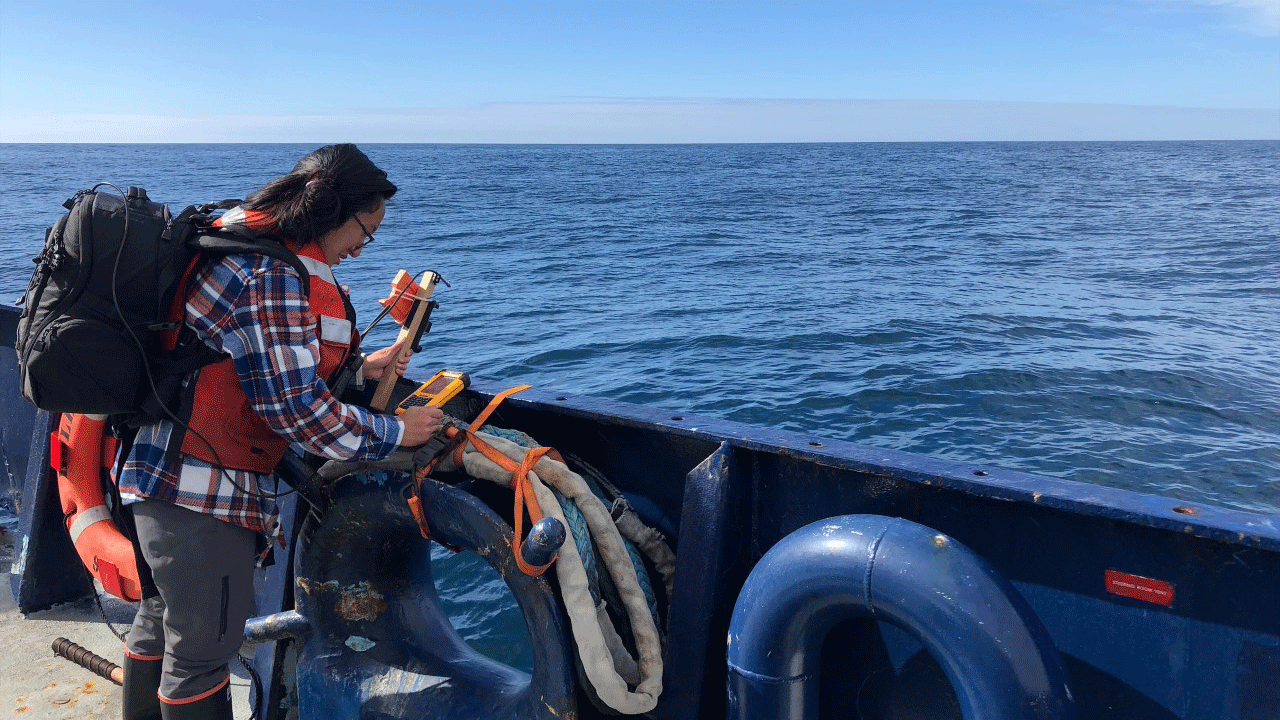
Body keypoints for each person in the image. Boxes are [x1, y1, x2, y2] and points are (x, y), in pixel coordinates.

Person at [115, 144, 443, 720]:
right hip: (198, 492)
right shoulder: (272, 272)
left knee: (157, 626)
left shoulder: (239, 237)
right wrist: (396, 432)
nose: (363, 247)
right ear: (330, 210)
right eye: (365, 231)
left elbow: (241, 357)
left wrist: (363, 369)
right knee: (201, 655)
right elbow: (297, 414)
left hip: (153, 467)